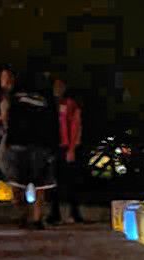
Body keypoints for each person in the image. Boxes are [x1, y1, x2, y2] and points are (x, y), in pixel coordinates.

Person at [3, 71, 59, 229]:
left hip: (38, 144)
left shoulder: (45, 97)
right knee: (19, 184)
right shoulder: (17, 96)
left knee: (38, 184)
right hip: (22, 143)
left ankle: (35, 218)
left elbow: (53, 121)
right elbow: (10, 117)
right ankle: (26, 216)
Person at [48, 77, 83, 225]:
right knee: (52, 182)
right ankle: (54, 213)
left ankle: (74, 212)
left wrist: (72, 148)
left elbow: (76, 126)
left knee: (70, 182)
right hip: (53, 147)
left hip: (66, 146)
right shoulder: (51, 104)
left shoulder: (70, 104)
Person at [0, 66, 16, 178]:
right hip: (5, 131)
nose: (2, 79)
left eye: (5, 76)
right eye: (2, 76)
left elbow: (10, 111)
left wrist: (3, 118)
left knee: (2, 160)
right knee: (1, 159)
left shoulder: (12, 94)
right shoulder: (3, 94)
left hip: (11, 132)